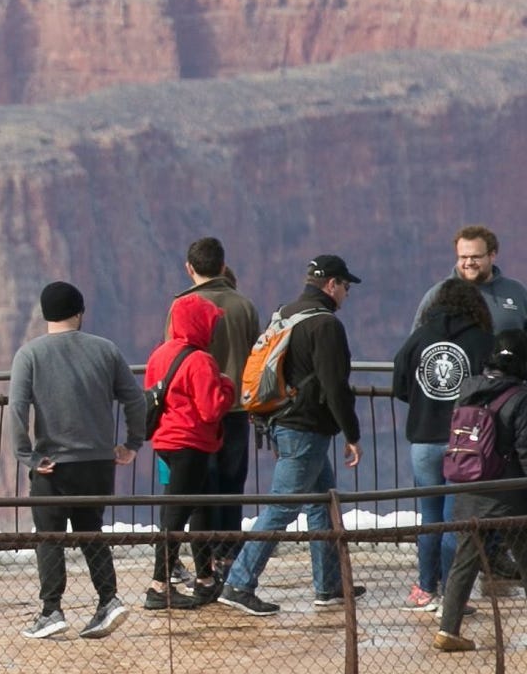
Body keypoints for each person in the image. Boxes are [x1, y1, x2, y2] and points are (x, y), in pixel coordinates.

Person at [216, 256, 366, 616]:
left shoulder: (286, 313)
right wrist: (353, 432)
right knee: (283, 505)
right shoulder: (326, 325)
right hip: (305, 427)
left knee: (321, 503)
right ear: (331, 284)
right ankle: (239, 583)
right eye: (346, 286)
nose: (346, 293)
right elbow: (335, 384)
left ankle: (329, 585)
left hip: (282, 420)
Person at [5, 280, 143, 639]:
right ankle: (108, 601)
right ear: (80, 312)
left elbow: (17, 410)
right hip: (98, 464)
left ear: (45, 314)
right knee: (91, 533)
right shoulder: (106, 350)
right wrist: (131, 443)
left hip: (53, 466)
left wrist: (27, 456)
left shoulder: (29, 355)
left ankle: (51, 611)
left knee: (49, 537)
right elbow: (136, 399)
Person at [432, 330, 527, 653]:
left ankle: (448, 630)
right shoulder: (520, 397)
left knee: (465, 560)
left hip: (468, 486)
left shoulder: (468, 388)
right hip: (507, 492)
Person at [391, 278, 498, 611]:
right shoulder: (482, 341)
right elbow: (493, 388)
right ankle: (453, 595)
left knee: (430, 518)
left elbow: (400, 384)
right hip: (465, 442)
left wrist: (424, 404)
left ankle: (425, 589)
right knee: (457, 520)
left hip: (423, 440)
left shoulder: (419, 338)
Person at [141, 294, 237, 610]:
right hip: (191, 443)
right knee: (177, 515)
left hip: (166, 442)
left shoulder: (159, 354)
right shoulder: (200, 360)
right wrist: (227, 387)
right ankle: (159, 586)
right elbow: (211, 410)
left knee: (198, 509)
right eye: (210, 323)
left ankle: (205, 579)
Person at [180, 240, 258, 575]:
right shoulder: (244, 306)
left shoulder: (182, 306)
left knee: (202, 487)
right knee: (232, 485)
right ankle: (230, 557)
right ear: (223, 266)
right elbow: (257, 360)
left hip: (198, 413)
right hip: (238, 411)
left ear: (189, 268)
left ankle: (205, 562)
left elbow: (176, 358)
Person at [414, 226, 527, 377]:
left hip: (506, 394)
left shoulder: (517, 293)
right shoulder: (437, 296)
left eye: (475, 257)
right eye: (463, 257)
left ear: (492, 255)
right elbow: (417, 343)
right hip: (456, 396)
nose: (469, 262)